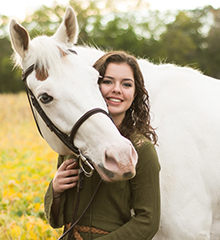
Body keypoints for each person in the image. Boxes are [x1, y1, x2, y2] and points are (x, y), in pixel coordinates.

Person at [44, 51, 160, 240]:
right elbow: (56, 220)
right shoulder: (74, 141)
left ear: (135, 93)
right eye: (108, 81)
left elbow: (148, 221)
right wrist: (55, 189)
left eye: (126, 84)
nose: (117, 89)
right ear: (93, 86)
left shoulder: (141, 148)